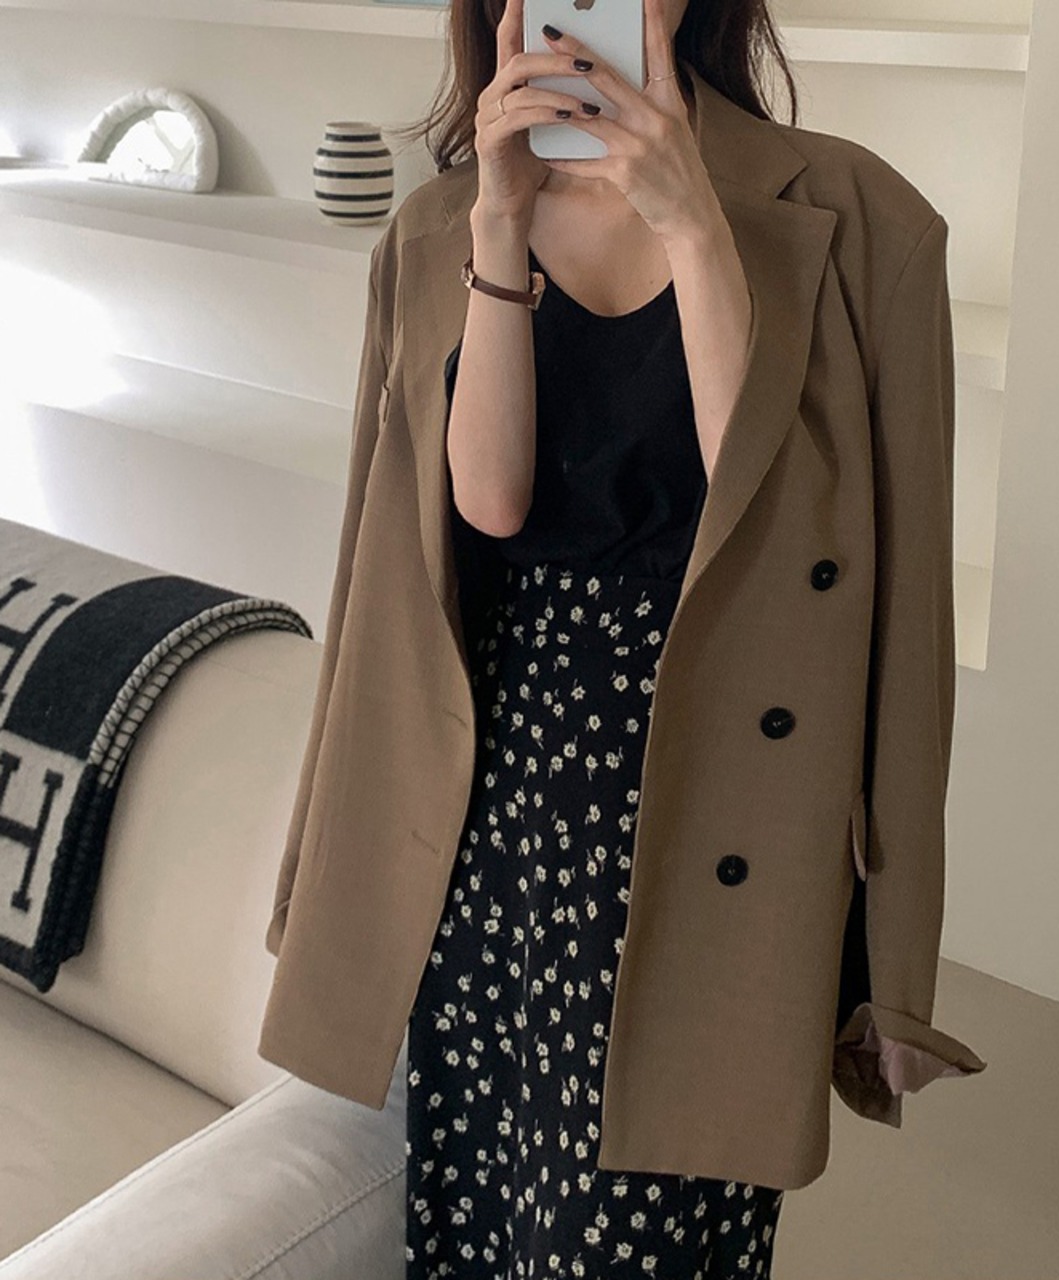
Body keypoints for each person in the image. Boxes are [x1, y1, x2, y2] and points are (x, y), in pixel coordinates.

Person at [403, 1, 787, 1274]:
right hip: (507, 766)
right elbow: (490, 500)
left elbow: (761, 515)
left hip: (701, 746)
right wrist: (499, 219)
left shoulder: (824, 210)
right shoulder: (448, 221)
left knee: (653, 1186)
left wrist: (690, 222)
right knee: (494, 1172)